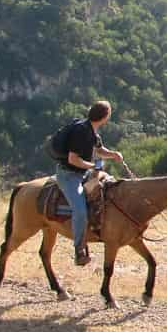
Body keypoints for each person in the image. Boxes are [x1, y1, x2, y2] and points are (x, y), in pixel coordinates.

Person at [55, 100, 125, 266]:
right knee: (80, 211)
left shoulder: (93, 131)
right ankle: (79, 249)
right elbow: (73, 159)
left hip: (83, 172)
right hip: (69, 175)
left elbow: (100, 150)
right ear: (105, 117)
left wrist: (113, 154)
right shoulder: (81, 132)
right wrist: (93, 166)